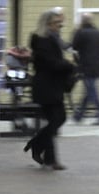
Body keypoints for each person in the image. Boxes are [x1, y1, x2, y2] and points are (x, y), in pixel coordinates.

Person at [23, 9, 76, 170]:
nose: (59, 26)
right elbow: (50, 63)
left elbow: (55, 61)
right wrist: (69, 65)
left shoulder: (53, 39)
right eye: (56, 23)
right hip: (45, 87)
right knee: (56, 120)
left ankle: (42, 152)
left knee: (57, 120)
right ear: (47, 24)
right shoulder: (41, 40)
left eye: (60, 24)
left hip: (53, 86)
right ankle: (43, 152)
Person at [71, 13, 99, 125]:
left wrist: (77, 63)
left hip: (85, 66)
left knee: (92, 91)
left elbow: (74, 48)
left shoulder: (80, 33)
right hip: (97, 66)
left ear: (82, 21)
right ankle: (78, 116)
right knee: (89, 90)